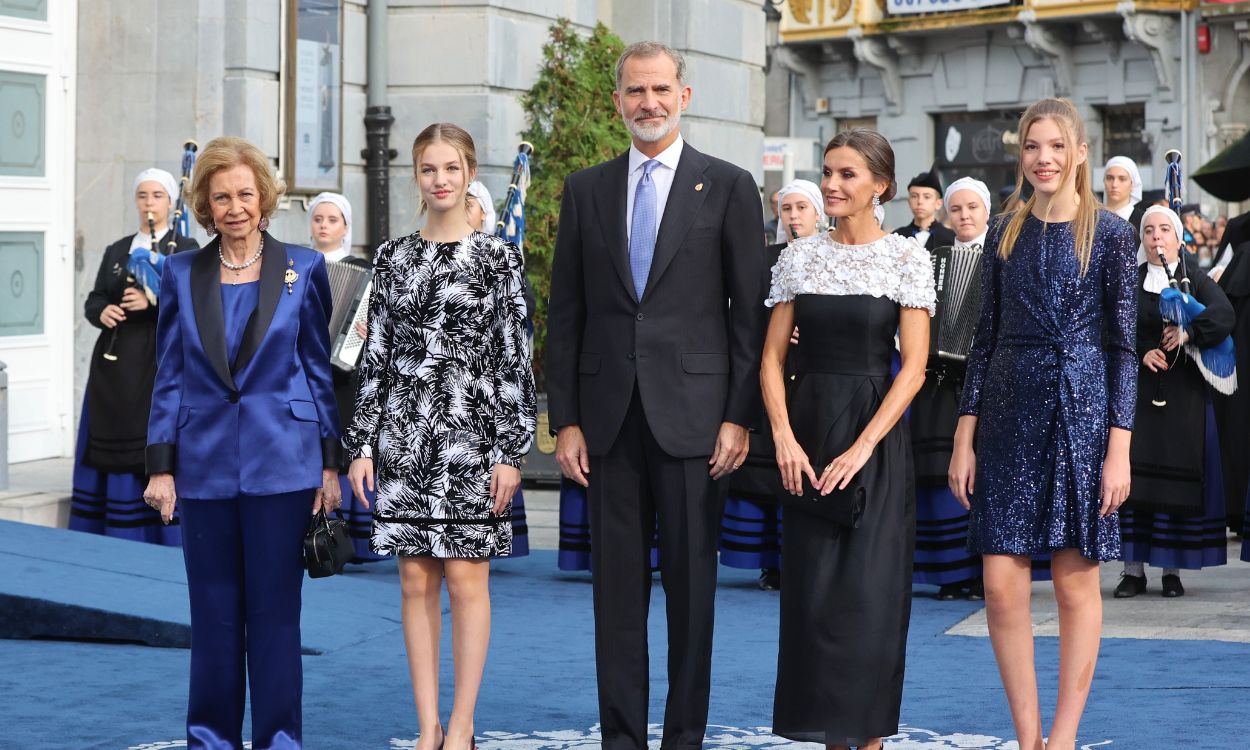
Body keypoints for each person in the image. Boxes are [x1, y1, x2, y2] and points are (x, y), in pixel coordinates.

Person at [545, 41, 765, 748]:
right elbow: (567, 315)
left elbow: (747, 317)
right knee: (615, 599)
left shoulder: (728, 186)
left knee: (692, 596)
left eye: (661, 90)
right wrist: (566, 422)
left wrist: (739, 416)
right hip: (607, 425)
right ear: (619, 102)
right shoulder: (586, 190)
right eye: (636, 91)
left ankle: (683, 739)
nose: (649, 102)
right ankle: (621, 739)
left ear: (685, 96)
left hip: (698, 424)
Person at [948, 98, 1138, 750]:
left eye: (1057, 145)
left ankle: (1061, 738)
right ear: (1020, 153)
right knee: (1001, 587)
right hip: (1006, 412)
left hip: (1081, 416)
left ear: (1080, 152)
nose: (1044, 158)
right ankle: (1027, 739)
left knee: (1073, 582)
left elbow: (1123, 349)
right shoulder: (1005, 230)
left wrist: (1119, 448)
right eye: (1033, 146)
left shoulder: (1111, 233)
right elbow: (983, 340)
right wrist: (964, 431)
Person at [142, 136, 343, 749]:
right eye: (221, 196)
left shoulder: (303, 268)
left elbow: (317, 370)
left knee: (277, 619)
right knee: (214, 619)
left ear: (265, 199)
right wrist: (161, 467)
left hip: (284, 465)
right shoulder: (180, 272)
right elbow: (168, 374)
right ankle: (211, 740)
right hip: (202, 468)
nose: (234, 206)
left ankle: (280, 740)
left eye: (245, 195)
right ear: (204, 204)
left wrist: (329, 465)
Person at [344, 123, 536, 750]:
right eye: (429, 169)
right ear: (417, 178)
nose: (440, 180)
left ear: (469, 171)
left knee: (465, 576)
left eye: (451, 168)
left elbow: (516, 356)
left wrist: (512, 449)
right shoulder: (393, 257)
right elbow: (377, 353)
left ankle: (462, 725)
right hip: (403, 433)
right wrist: (362, 442)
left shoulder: (499, 257)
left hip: (473, 439)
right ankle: (427, 727)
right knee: (415, 578)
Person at [764, 128, 933, 749]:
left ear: (880, 187)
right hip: (805, 441)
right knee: (812, 605)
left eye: (847, 176)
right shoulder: (799, 256)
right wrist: (783, 437)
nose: (831, 185)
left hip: (876, 443)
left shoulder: (907, 258)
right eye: (828, 172)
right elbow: (770, 359)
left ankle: (869, 742)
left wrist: (863, 446)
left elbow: (913, 369)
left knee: (868, 604)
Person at [70, 168, 199, 545]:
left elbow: (195, 304)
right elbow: (95, 297)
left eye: (157, 196)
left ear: (171, 202)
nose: (149, 203)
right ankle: (106, 523)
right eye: (142, 195)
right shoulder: (117, 248)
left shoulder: (185, 247)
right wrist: (101, 312)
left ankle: (157, 527)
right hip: (113, 362)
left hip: (157, 361)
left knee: (150, 435)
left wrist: (153, 300)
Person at [1117, 206, 1233, 598]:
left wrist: (1188, 334)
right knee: (1135, 481)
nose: (1155, 237)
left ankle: (1171, 572)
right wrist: (1140, 350)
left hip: (1183, 398)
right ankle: (1132, 572)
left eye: (1164, 229)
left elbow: (1224, 315)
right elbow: (1107, 328)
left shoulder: (1191, 278)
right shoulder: (1127, 282)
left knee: (1174, 485)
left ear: (1177, 237)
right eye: (1148, 230)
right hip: (1137, 400)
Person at [722, 178, 824, 590]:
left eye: (802, 208)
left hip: (817, 373)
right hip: (775, 372)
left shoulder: (832, 254)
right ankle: (771, 560)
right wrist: (775, 329)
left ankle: (808, 557)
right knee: (768, 470)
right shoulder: (767, 259)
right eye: (787, 209)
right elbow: (746, 313)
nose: (794, 216)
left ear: (818, 212)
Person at [909, 176, 991, 600]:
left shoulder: (1001, 258)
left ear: (987, 212)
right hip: (939, 380)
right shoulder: (934, 258)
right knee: (939, 474)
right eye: (957, 209)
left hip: (987, 382)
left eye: (972, 208)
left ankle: (983, 571)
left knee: (982, 474)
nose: (964, 216)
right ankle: (950, 571)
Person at [307, 191, 383, 562]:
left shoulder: (362, 271)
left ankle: (347, 537)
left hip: (343, 373)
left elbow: (380, 323)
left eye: (332, 220)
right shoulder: (298, 265)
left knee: (341, 439)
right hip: (303, 368)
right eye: (318, 219)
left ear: (345, 227)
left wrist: (370, 331)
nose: (324, 226)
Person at [895, 164, 955, 254]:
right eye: (914, 196)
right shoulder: (897, 237)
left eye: (927, 197)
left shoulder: (951, 238)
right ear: (909, 201)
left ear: (938, 203)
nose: (920, 201)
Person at [1103, 155, 1146, 234]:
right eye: (1109, 178)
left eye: (1122, 179)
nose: (1114, 185)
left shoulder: (1144, 220)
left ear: (1132, 184)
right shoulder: (1092, 218)